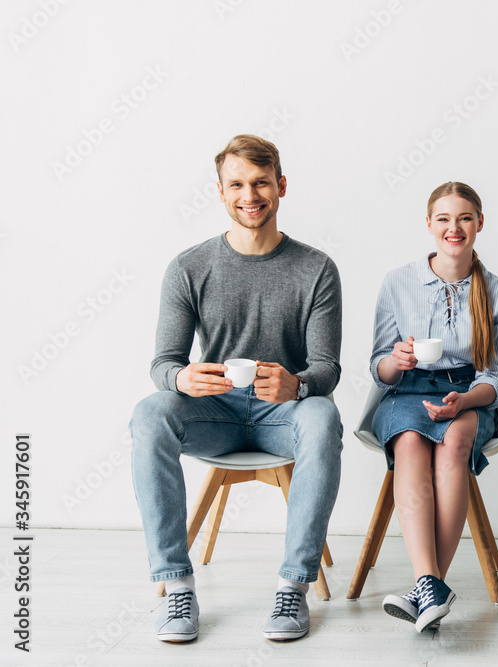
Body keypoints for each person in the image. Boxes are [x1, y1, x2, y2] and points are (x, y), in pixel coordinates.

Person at [130, 135, 344, 643]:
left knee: (323, 415)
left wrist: (298, 385)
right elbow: (163, 363)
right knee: (150, 412)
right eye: (237, 185)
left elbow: (327, 371)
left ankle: (293, 586)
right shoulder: (189, 267)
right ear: (221, 192)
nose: (250, 195)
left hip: (282, 415)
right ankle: (177, 585)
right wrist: (181, 378)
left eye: (261, 183)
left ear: (281, 186)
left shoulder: (316, 269)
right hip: (214, 415)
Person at [369, 181, 498, 633]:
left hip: (466, 394)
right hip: (406, 393)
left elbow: (497, 377)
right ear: (429, 225)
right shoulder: (398, 281)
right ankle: (429, 585)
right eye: (445, 219)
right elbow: (377, 367)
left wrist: (466, 400)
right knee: (411, 442)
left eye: (465, 218)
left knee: (454, 446)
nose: (455, 228)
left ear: (480, 224)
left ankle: (428, 588)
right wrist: (396, 361)